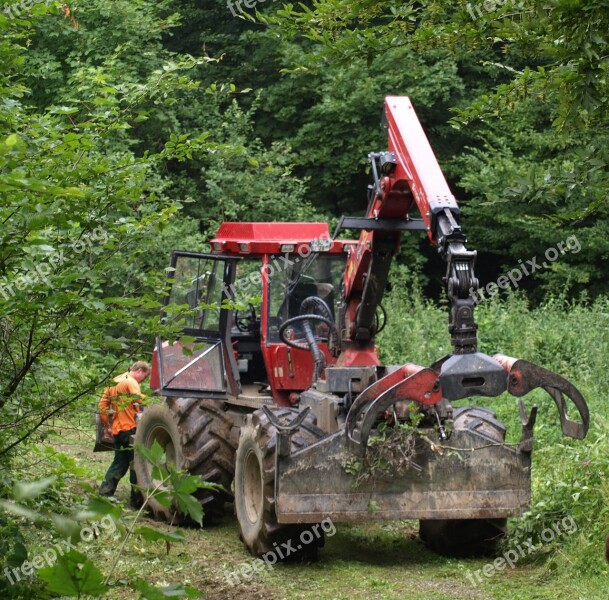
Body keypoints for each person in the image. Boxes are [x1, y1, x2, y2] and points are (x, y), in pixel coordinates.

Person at [98, 360, 150, 507]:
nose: (143, 381)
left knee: (119, 464)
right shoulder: (131, 381)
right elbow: (138, 398)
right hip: (131, 430)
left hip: (117, 430)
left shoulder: (114, 381)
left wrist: (107, 426)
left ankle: (105, 494)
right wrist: (154, 402)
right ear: (139, 370)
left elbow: (102, 406)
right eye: (144, 377)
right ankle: (136, 501)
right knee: (136, 465)